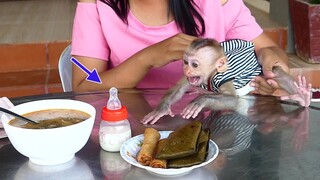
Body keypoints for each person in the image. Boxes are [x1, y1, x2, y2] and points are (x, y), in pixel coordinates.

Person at [71, 0, 289, 96]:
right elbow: (83, 86)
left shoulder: (216, 2)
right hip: (128, 132)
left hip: (212, 134)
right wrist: (147, 59)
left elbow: (269, 51)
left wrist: (272, 64)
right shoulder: (98, 4)